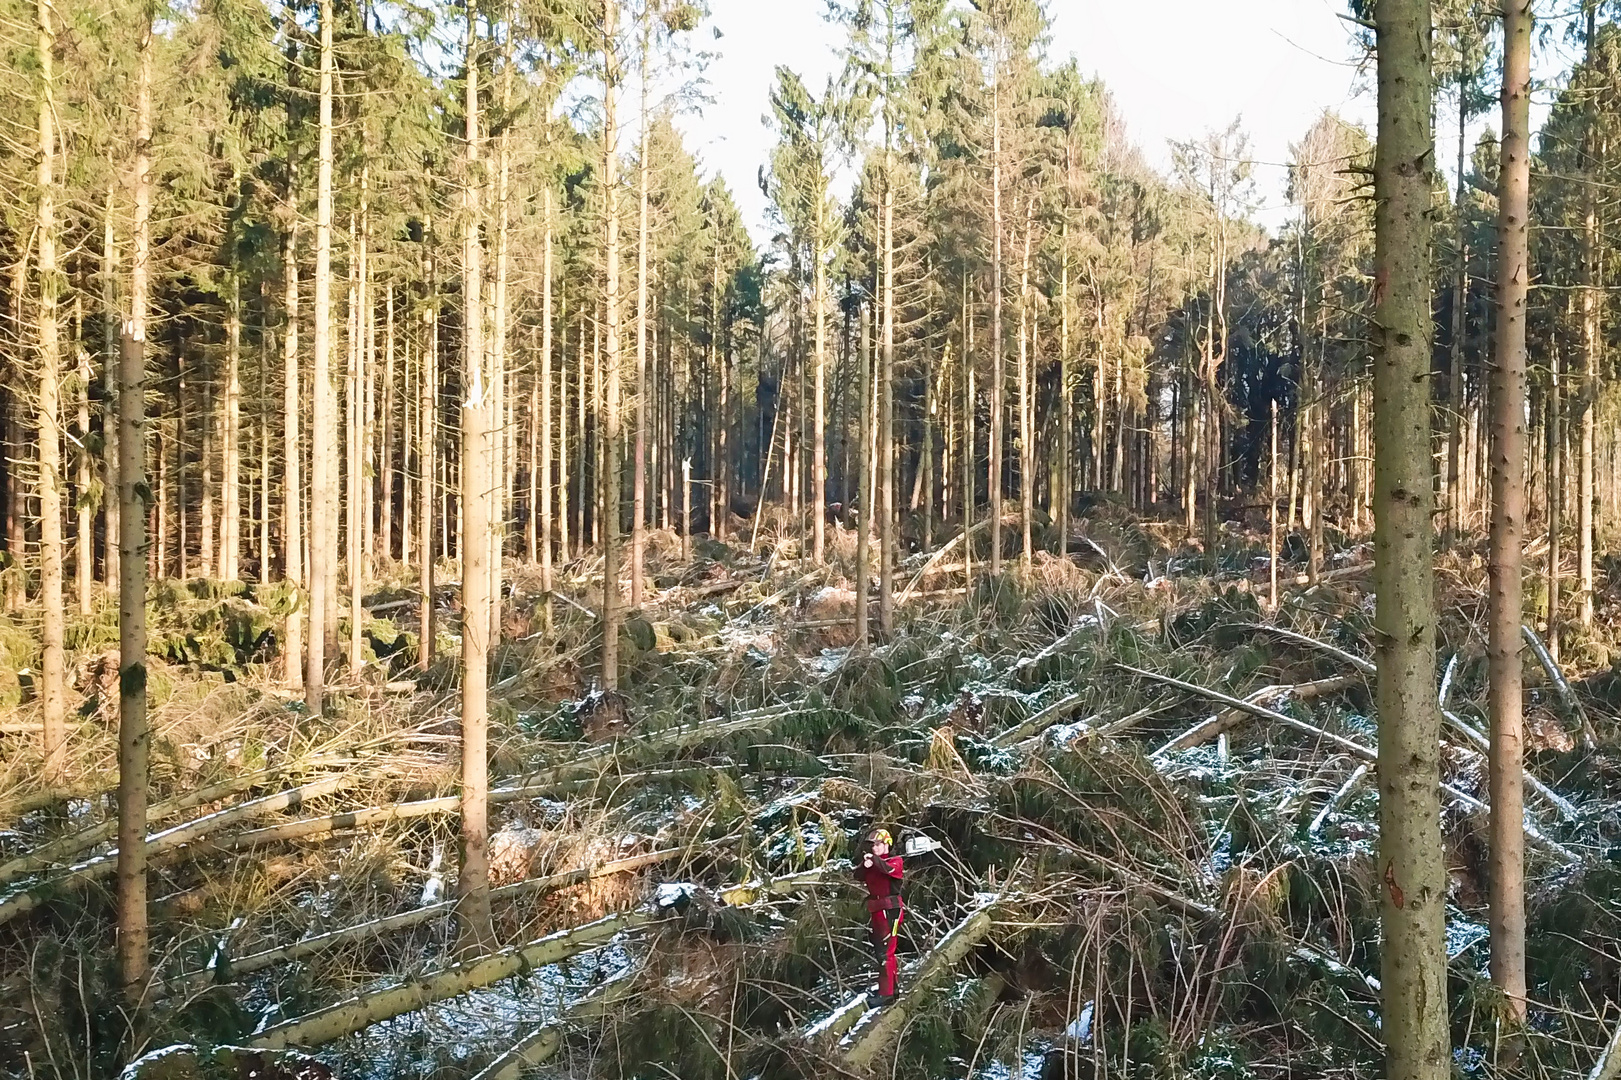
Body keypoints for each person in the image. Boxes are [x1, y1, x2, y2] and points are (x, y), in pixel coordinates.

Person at [856, 827, 904, 1007]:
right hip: (876, 910)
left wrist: (874, 860)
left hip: (890, 910)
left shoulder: (895, 861)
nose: (874, 848)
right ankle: (892, 988)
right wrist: (865, 864)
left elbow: (888, 869)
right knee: (882, 952)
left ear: (886, 845)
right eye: (872, 845)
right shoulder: (874, 863)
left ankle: (886, 994)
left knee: (885, 952)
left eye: (878, 844)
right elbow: (858, 875)